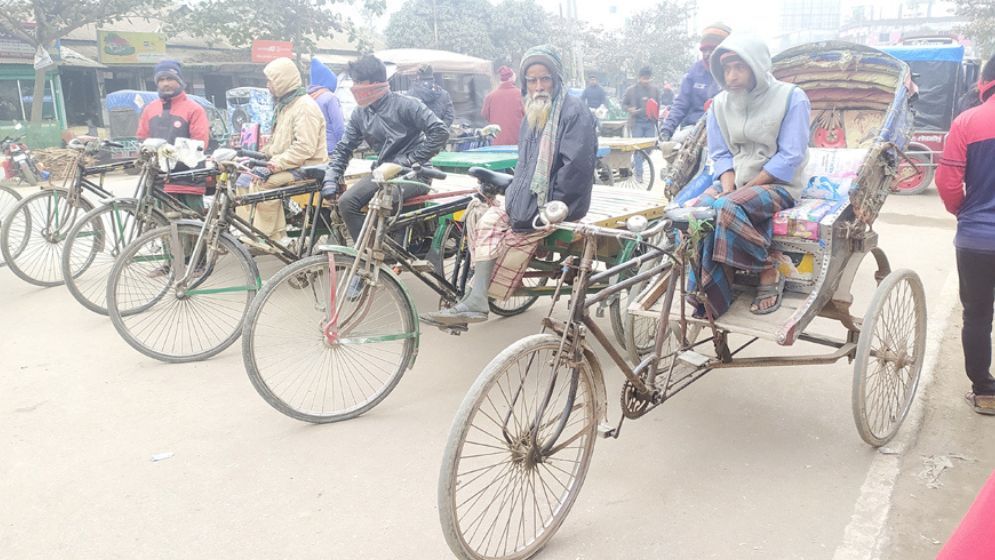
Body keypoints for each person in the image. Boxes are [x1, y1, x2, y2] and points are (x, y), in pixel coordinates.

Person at [421, 45, 597, 328]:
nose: (539, 86)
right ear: (525, 82)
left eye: (545, 79)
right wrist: (515, 198)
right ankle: (476, 299)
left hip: (558, 206)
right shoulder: (533, 112)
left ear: (557, 78)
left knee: (510, 241)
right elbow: (526, 165)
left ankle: (478, 297)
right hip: (527, 200)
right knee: (486, 219)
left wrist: (551, 211)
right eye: (532, 80)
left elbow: (575, 169)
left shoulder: (574, 112)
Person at [689, 33, 810, 319]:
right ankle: (712, 285)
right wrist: (729, 187)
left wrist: (736, 193)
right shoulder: (718, 104)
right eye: (726, 69)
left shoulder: (792, 97)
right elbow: (720, 155)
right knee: (696, 213)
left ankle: (767, 268)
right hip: (736, 184)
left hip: (779, 185)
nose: (731, 76)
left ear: (756, 65)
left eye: (739, 67)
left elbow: (790, 156)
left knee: (725, 207)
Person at [321, 55, 449, 243]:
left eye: (358, 82)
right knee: (346, 202)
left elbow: (440, 132)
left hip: (414, 174)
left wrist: (410, 160)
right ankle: (366, 254)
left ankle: (382, 252)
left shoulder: (407, 104)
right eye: (353, 82)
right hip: (382, 174)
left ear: (375, 83)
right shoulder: (360, 113)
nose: (354, 88)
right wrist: (331, 177)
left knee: (381, 201)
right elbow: (344, 148)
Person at [935, 54, 995, 415]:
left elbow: (947, 182)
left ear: (983, 83)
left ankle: (986, 391)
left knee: (976, 314)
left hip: (977, 240)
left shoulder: (967, 121)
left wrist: (964, 211)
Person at [237, 57, 328, 244]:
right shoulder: (285, 106)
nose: (268, 85)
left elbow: (304, 148)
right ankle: (251, 229)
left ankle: (273, 236)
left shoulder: (304, 107)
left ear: (282, 80)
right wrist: (256, 156)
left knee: (264, 183)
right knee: (243, 178)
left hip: (307, 167)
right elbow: (276, 144)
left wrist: (271, 167)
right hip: (287, 164)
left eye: (271, 81)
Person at [136, 60, 210, 212]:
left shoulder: (194, 109)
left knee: (193, 228)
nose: (165, 84)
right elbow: (142, 137)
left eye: (170, 79)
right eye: (161, 80)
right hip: (159, 180)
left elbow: (201, 143)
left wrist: (172, 154)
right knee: (163, 228)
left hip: (188, 180)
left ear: (180, 81)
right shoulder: (150, 109)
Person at [659, 23, 731, 143]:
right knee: (675, 146)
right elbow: (681, 103)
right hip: (693, 128)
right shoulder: (694, 72)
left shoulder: (733, 73)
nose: (707, 54)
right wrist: (667, 129)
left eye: (712, 50)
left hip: (726, 130)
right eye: (704, 50)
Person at [622, 66, 660, 180]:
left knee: (649, 148)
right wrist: (630, 109)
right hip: (636, 122)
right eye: (643, 78)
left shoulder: (655, 90)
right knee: (638, 149)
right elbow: (623, 105)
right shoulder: (631, 90)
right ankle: (639, 174)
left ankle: (637, 162)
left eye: (648, 78)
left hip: (650, 122)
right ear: (639, 78)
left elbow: (658, 106)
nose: (645, 81)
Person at [308, 58, 345, 151]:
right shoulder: (330, 98)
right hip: (330, 150)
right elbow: (339, 127)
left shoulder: (308, 98)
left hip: (313, 149)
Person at [481, 65, 524, 145]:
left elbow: (484, 115)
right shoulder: (521, 95)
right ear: (511, 78)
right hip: (517, 141)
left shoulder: (490, 96)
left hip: (497, 142)